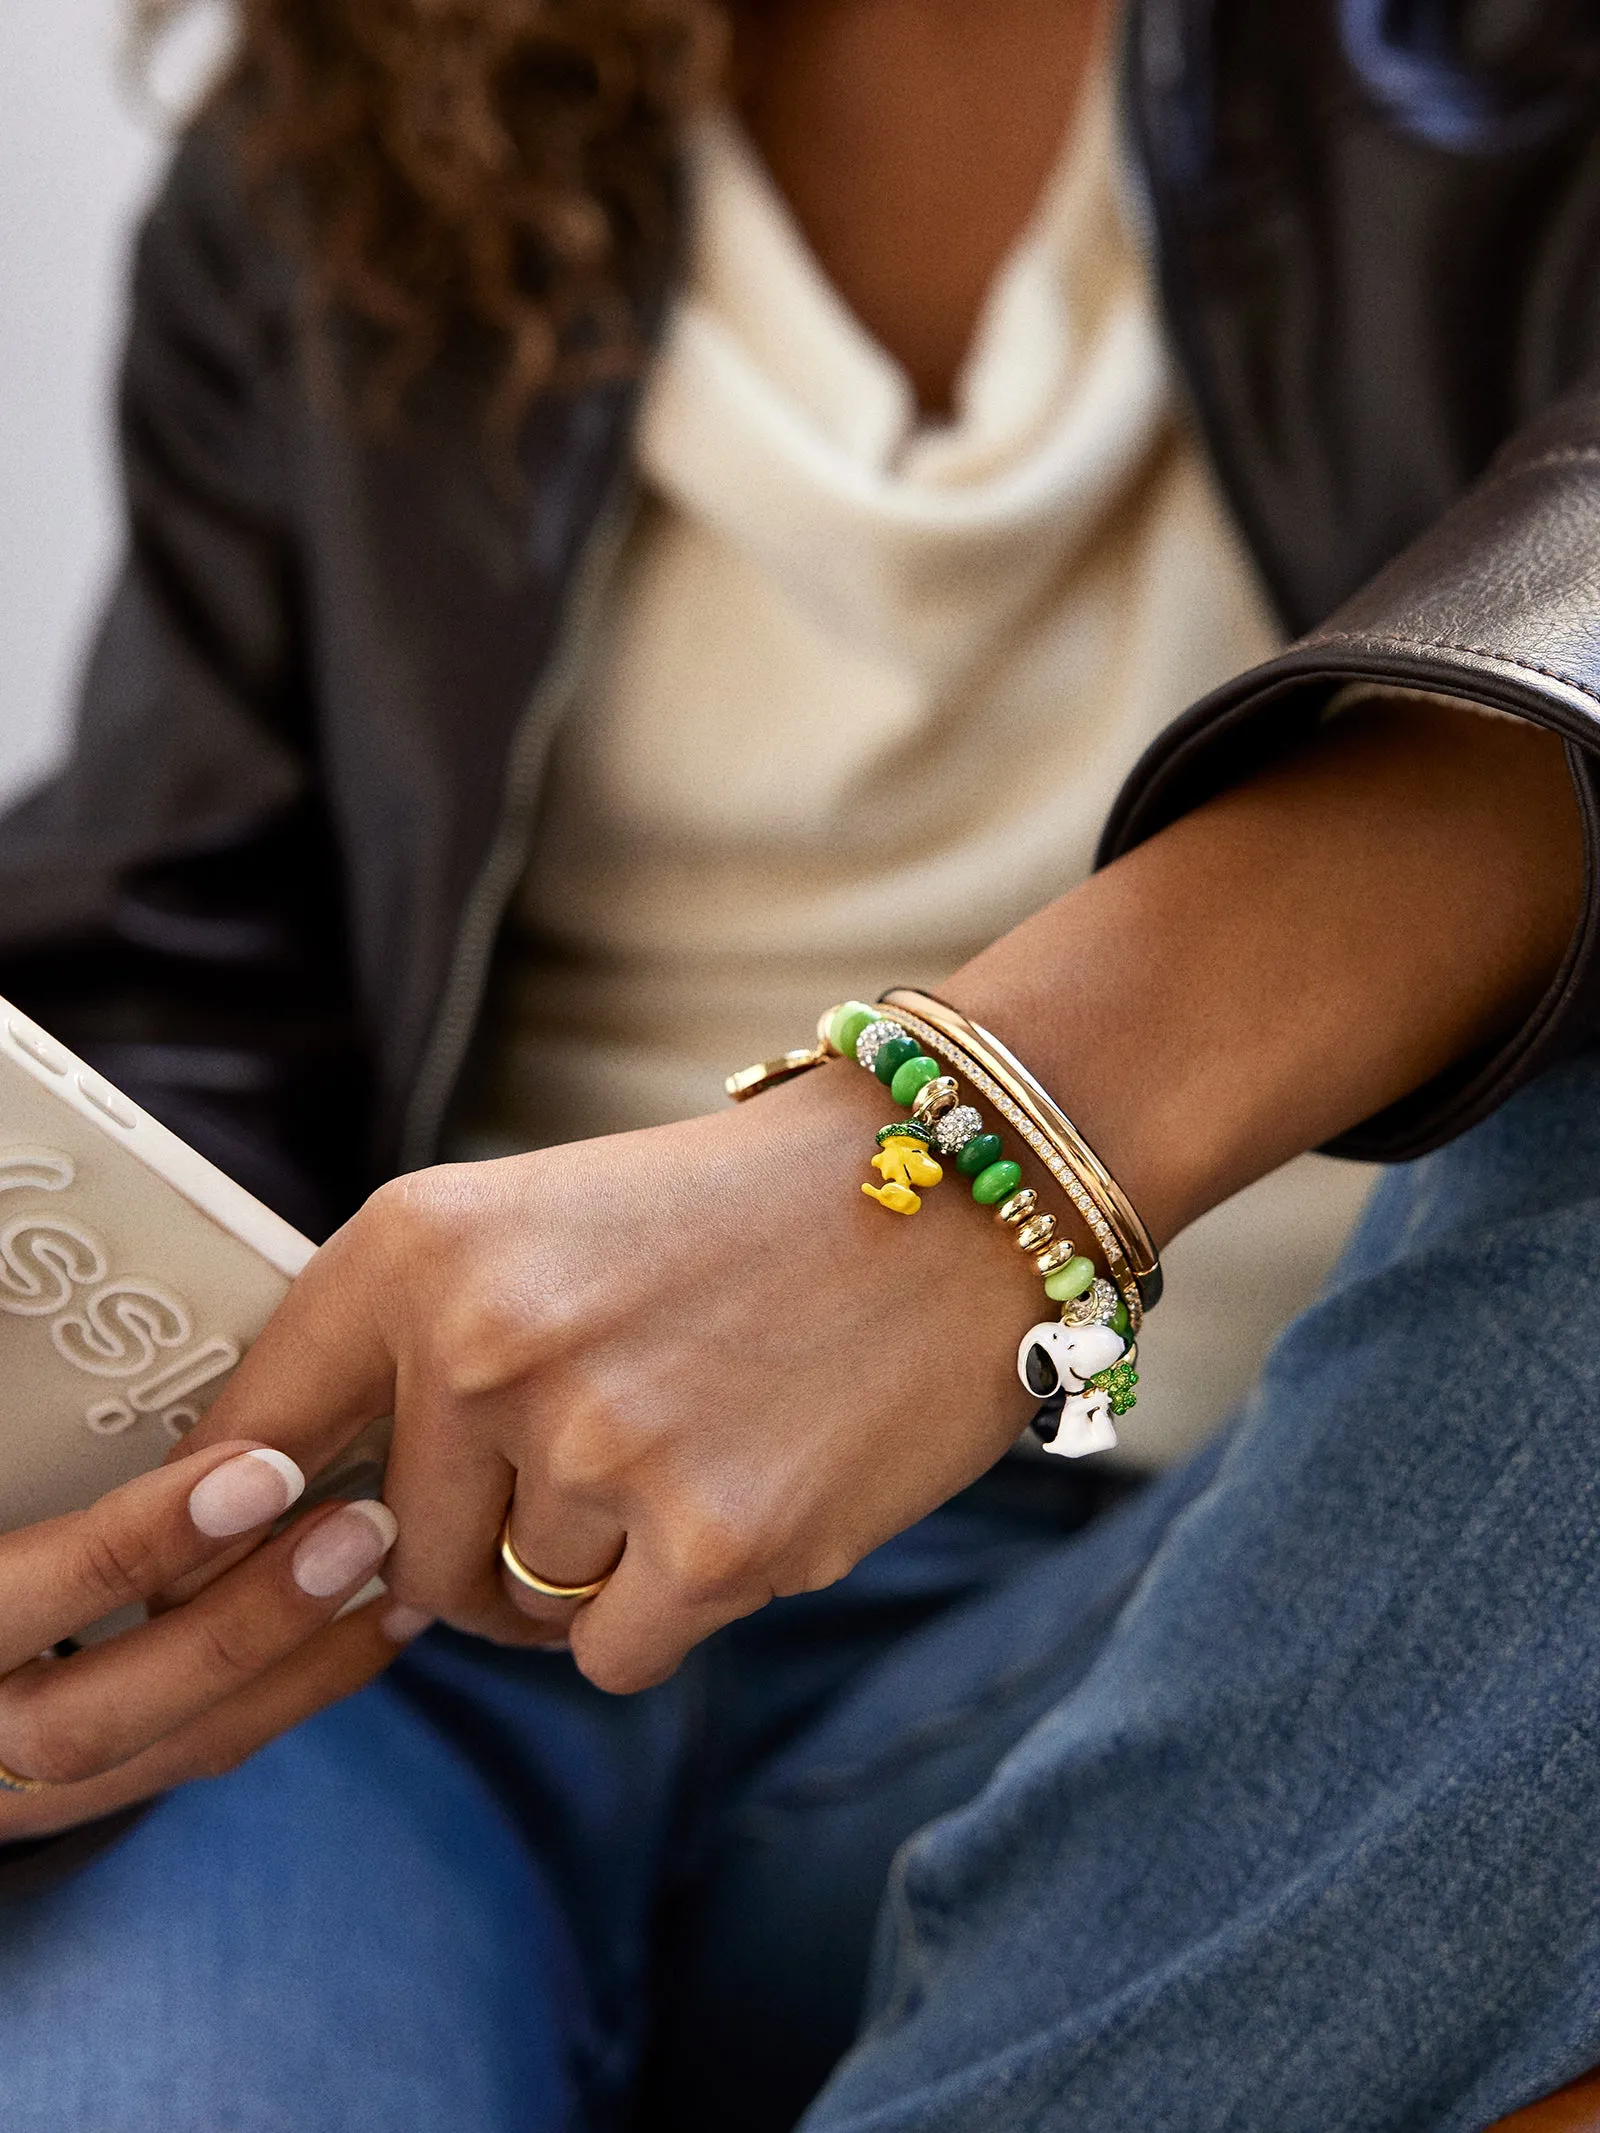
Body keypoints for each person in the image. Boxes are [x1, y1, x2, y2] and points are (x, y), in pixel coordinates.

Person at [0, 0, 1599, 2127]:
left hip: (1214, 1591)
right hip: (387, 1633)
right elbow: (179, 987)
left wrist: (959, 1184)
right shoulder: (339, 122)